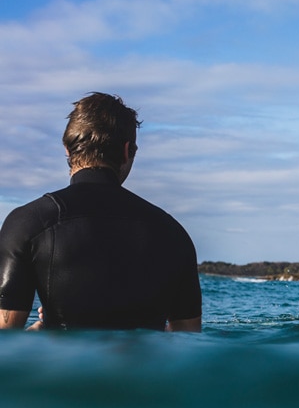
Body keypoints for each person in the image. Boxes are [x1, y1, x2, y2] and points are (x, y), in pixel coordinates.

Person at [0, 92, 202, 331]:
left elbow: (5, 339)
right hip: (143, 367)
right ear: (128, 151)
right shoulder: (173, 233)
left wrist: (39, 331)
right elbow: (187, 338)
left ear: (67, 148)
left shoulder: (27, 222)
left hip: (59, 367)